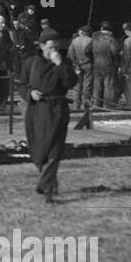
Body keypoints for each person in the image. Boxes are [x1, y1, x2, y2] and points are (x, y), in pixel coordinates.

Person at [23, 28, 79, 203]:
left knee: (55, 150)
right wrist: (30, 93)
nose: (54, 51)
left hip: (58, 109)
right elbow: (21, 84)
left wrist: (59, 64)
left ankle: (45, 186)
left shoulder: (64, 62)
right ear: (41, 46)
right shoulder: (30, 63)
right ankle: (50, 184)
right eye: (50, 48)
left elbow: (71, 82)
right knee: (39, 150)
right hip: (37, 110)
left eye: (56, 47)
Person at [89, 21, 119, 108]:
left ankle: (96, 105)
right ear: (110, 31)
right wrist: (116, 62)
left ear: (101, 29)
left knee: (97, 87)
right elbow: (115, 52)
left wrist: (93, 59)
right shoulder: (111, 39)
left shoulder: (95, 39)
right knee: (109, 86)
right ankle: (109, 107)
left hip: (97, 65)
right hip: (109, 65)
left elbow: (87, 50)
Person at [68, 25, 93, 110]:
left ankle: (76, 106)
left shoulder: (74, 41)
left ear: (82, 32)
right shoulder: (91, 40)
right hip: (88, 64)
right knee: (87, 85)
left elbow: (70, 55)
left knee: (77, 85)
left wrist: (75, 64)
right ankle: (85, 105)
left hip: (77, 65)